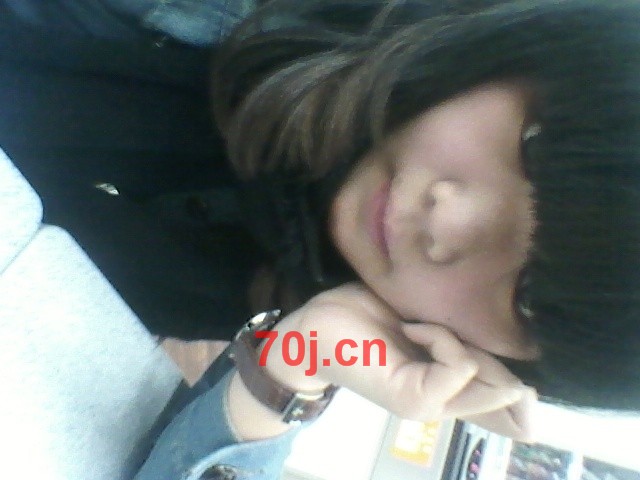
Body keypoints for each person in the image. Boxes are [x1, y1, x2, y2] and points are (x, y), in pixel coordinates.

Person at [1, 1, 640, 479]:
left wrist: (296, 365)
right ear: (536, 51)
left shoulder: (307, 287)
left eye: (527, 296)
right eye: (533, 149)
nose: (446, 222)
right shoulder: (239, 19)